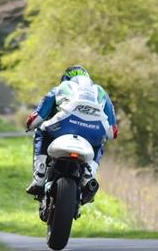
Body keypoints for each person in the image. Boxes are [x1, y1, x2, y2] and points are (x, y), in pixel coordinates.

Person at [24, 65, 118, 204]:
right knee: (100, 142)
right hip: (95, 130)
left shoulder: (60, 88)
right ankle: (88, 175)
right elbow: (112, 132)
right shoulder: (101, 92)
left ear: (65, 79)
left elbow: (37, 119)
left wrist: (29, 125)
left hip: (65, 124)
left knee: (42, 131)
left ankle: (40, 175)